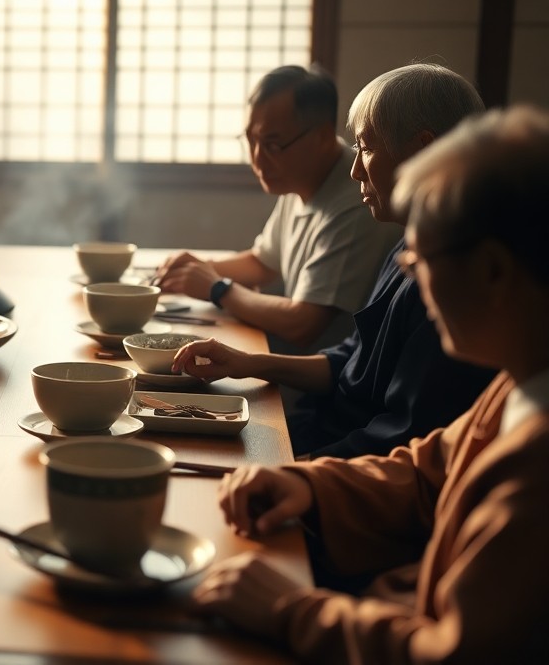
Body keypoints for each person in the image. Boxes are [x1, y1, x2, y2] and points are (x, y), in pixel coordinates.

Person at [191, 104, 549, 664]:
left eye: (423, 253)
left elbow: (452, 652)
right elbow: (431, 468)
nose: (408, 266)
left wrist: (293, 609)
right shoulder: (521, 381)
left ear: (494, 271)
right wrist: (313, 486)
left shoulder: (539, 471)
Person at [173, 64, 496, 459]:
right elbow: (350, 360)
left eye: (367, 147)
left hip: (354, 460)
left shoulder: (454, 279)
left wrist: (301, 472)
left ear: (423, 150)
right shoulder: (410, 245)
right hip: (328, 426)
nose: (355, 167)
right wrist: (243, 362)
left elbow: (403, 437)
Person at [155, 65, 401, 353]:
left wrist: (217, 287)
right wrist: (197, 269)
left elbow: (302, 323)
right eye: (251, 141)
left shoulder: (357, 199)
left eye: (272, 144)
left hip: (319, 383)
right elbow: (264, 262)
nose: (257, 159)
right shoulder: (300, 176)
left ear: (321, 136)